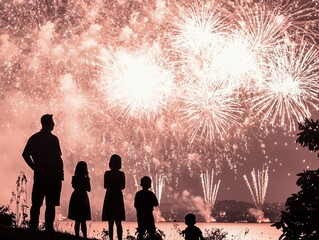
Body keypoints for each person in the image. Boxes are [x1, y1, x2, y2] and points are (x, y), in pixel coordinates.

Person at [22, 114, 64, 231]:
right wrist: (61, 172)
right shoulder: (53, 139)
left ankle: (34, 226)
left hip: (40, 175)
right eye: (52, 122)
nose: (53, 124)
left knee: (37, 203)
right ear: (48, 124)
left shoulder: (35, 138)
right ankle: (49, 228)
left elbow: (25, 154)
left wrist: (35, 167)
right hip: (52, 175)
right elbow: (58, 157)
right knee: (50, 204)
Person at [102, 154, 125, 240]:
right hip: (118, 196)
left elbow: (105, 186)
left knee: (110, 222)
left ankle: (111, 239)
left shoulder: (107, 173)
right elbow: (123, 187)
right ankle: (120, 239)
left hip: (110, 196)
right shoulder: (121, 174)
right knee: (118, 222)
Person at [68, 161, 91, 238]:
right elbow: (89, 189)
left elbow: (74, 186)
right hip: (83, 197)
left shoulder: (74, 178)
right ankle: (85, 236)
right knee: (83, 220)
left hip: (76, 196)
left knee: (77, 220)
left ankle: (76, 235)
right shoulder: (86, 179)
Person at [134, 176, 159, 240]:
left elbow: (135, 205)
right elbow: (156, 203)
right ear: (149, 185)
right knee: (151, 231)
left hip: (140, 215)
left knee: (141, 231)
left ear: (141, 184)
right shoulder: (151, 194)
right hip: (149, 215)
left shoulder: (138, 194)